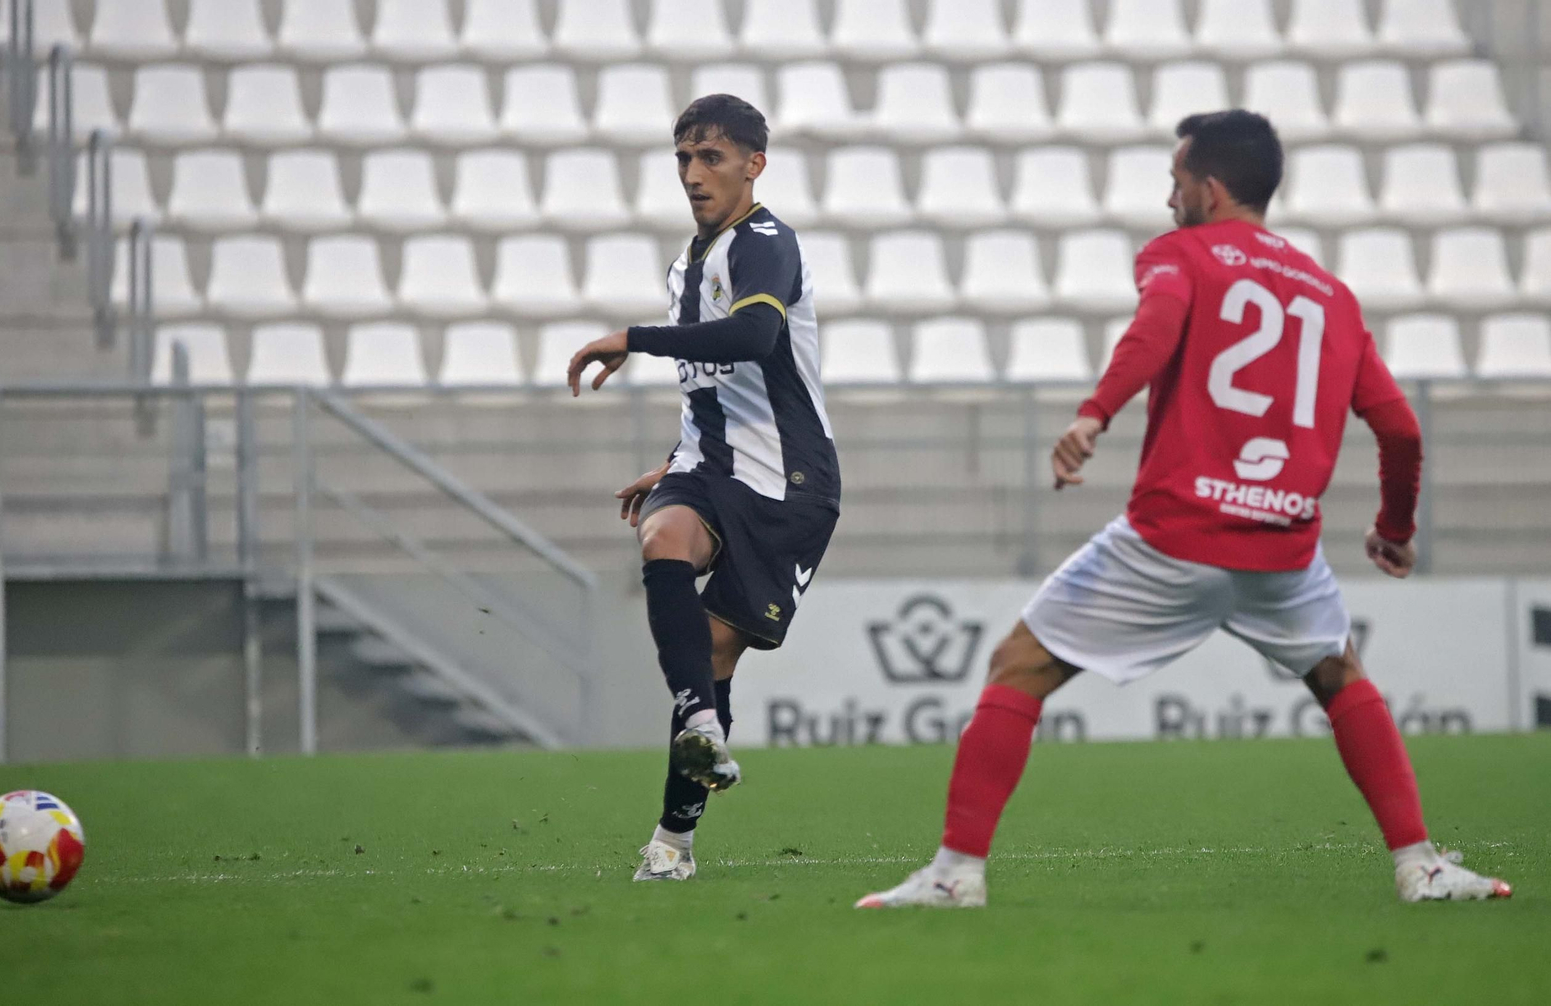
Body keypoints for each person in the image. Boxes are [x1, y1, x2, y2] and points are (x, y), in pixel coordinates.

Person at [857, 110, 1511, 908]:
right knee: (1342, 675)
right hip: (1283, 547)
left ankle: (956, 876)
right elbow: (1402, 430)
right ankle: (1422, 866)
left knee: (1017, 666)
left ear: (1209, 188)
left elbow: (1156, 329)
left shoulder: (1183, 255)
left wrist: (1095, 412)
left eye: (1176, 183)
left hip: (1175, 536)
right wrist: (1395, 530)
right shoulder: (1333, 295)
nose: (1170, 201)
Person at [566, 95, 841, 883]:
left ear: (755, 164)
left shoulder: (766, 245)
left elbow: (754, 338)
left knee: (716, 652)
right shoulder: (685, 266)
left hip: (790, 482)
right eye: (683, 157)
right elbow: (711, 385)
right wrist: (674, 460)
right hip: (708, 464)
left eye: (710, 157)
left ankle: (675, 839)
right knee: (663, 539)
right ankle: (696, 726)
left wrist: (633, 339)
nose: (692, 173)